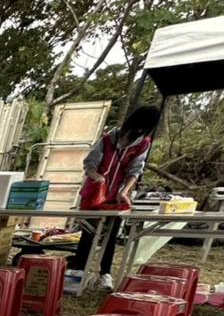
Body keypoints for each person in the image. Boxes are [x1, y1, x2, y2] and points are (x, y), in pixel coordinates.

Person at [67, 105, 161, 291]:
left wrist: (124, 191)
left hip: (115, 198)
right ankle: (78, 272)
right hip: (94, 194)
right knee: (88, 233)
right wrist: (98, 178)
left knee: (111, 234)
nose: (140, 130)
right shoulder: (108, 138)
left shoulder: (143, 144)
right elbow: (89, 164)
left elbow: (135, 170)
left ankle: (105, 274)